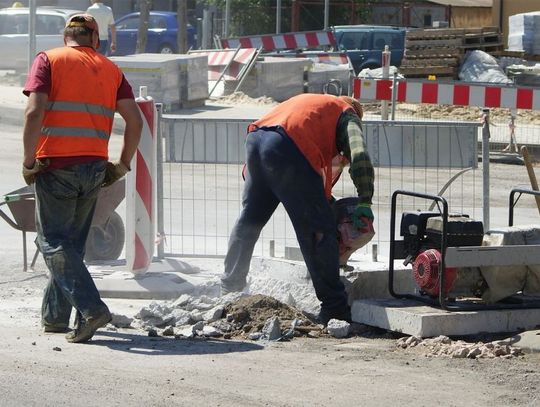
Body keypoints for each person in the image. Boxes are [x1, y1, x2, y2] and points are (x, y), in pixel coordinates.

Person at [22, 14, 142, 343]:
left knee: (52, 242)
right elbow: (135, 120)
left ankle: (91, 309)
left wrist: (29, 160)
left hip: (56, 166)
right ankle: (55, 318)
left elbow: (34, 112)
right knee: (70, 245)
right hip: (94, 167)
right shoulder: (111, 69)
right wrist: (122, 164)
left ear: (66, 37)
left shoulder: (49, 59)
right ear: (96, 41)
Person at [220, 93, 375, 325]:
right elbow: (359, 154)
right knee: (317, 231)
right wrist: (365, 199)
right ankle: (335, 308)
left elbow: (313, 181)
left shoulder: (314, 107)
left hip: (258, 141)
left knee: (249, 221)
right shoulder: (347, 114)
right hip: (289, 146)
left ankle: (230, 290)